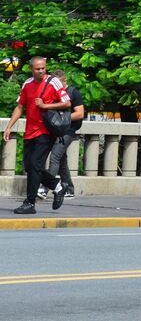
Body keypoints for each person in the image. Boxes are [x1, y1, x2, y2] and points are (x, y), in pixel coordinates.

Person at [2, 56, 70, 214]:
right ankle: (58, 186)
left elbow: (67, 103)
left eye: (43, 68)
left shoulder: (53, 82)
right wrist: (9, 127)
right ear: (31, 69)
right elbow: (20, 107)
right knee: (30, 166)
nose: (41, 71)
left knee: (34, 165)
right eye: (38, 69)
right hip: (30, 131)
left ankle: (30, 203)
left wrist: (45, 105)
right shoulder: (27, 83)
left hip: (46, 131)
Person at [37, 70, 83, 200]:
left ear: (64, 81)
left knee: (55, 157)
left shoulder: (73, 92)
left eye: (58, 83)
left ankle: (44, 188)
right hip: (56, 131)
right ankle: (68, 188)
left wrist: (63, 119)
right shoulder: (53, 93)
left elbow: (80, 113)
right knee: (61, 160)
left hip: (68, 131)